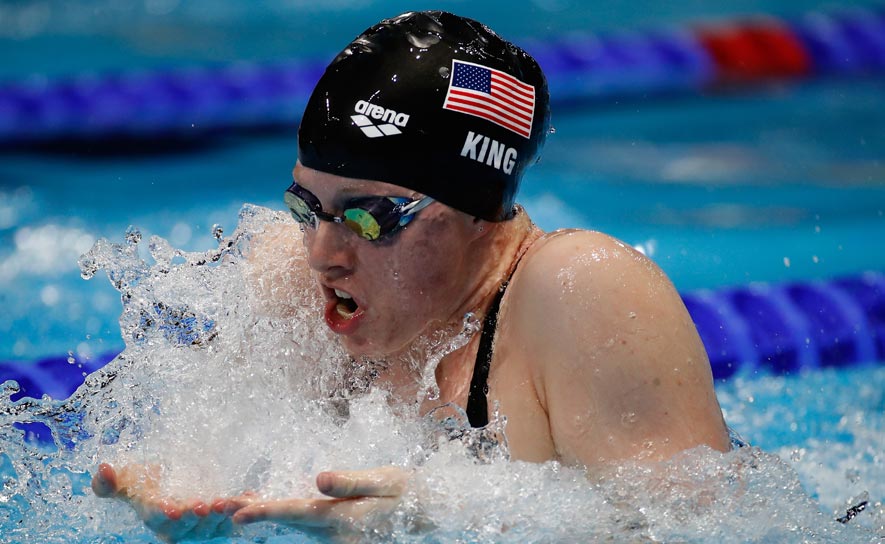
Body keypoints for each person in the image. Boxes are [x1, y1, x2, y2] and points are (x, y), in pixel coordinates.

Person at [92, 10, 730, 541]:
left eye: (368, 218)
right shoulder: (287, 287)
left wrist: (453, 512)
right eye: (306, 208)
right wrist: (202, 509)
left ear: (476, 212)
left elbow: (708, 529)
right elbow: (223, 473)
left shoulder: (579, 293)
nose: (321, 253)